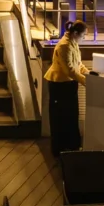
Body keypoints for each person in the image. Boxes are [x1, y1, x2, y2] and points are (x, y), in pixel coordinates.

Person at [44, 21, 89, 156]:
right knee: (61, 117)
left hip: (69, 83)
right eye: (83, 36)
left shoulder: (72, 43)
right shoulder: (64, 46)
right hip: (59, 84)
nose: (83, 38)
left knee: (71, 115)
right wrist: (86, 82)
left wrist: (89, 74)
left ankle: (71, 146)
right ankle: (60, 149)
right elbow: (69, 70)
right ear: (75, 33)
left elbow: (78, 64)